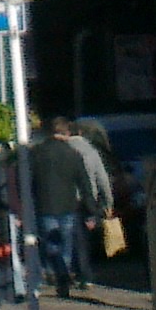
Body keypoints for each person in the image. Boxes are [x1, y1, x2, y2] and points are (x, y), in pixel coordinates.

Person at [33, 115, 111, 298]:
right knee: (66, 244)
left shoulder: (36, 153)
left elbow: (28, 180)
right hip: (69, 205)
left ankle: (57, 273)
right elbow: (85, 183)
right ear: (66, 132)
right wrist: (92, 209)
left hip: (44, 204)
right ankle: (64, 276)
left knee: (51, 244)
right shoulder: (74, 155)